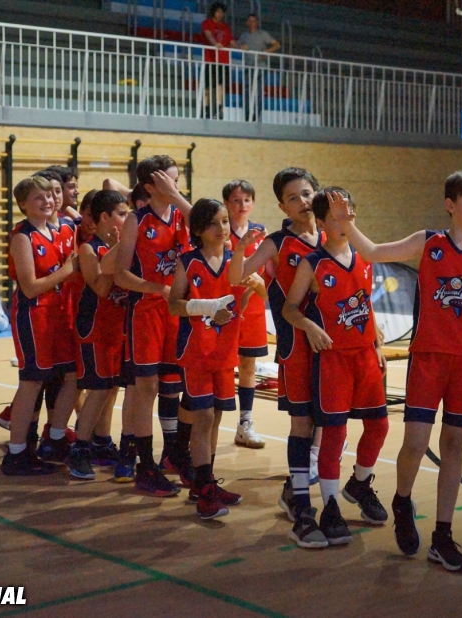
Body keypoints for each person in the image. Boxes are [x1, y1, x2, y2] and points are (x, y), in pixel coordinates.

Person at [332, 170, 462, 572]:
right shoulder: (429, 242)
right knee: (416, 443)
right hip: (428, 359)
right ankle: (402, 500)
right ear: (450, 205)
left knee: (454, 446)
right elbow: (373, 252)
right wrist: (347, 223)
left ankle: (443, 536)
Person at [282, 188, 389, 547]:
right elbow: (289, 308)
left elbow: (365, 302)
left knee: (379, 425)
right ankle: (330, 506)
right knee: (334, 433)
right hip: (332, 359)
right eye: (338, 216)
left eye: (349, 213)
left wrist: (377, 344)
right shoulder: (312, 263)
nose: (345, 221)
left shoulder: (365, 257)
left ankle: (359, 483)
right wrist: (310, 327)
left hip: (365, 355)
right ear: (323, 222)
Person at [230, 167, 327, 548]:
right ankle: (302, 505)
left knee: (327, 420)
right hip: (296, 344)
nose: (302, 202)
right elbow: (237, 276)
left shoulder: (332, 234)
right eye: (292, 198)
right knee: (302, 422)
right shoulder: (277, 242)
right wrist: (241, 248)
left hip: (331, 344)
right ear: (282, 206)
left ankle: (300, 489)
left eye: (307, 193)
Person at [168, 198, 257, 518]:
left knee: (216, 417)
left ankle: (204, 482)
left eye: (224, 221)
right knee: (203, 417)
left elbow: (239, 303)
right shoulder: (189, 262)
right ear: (198, 230)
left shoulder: (236, 261)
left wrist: (251, 292)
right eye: (213, 223)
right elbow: (174, 304)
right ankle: (203, 487)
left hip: (224, 351)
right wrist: (206, 307)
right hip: (196, 350)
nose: (221, 228)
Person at [113, 155, 193, 495]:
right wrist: (155, 287)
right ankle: (143, 465)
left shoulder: (181, 214)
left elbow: (207, 227)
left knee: (178, 387)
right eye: (170, 179)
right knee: (146, 389)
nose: (176, 184)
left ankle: (175, 454)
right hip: (146, 313)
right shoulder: (136, 220)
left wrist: (176, 197)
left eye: (177, 179)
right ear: (150, 185)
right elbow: (120, 274)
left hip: (178, 313)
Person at [1, 176, 80, 476]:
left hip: (60, 315)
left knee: (72, 376)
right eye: (38, 197)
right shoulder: (22, 236)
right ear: (23, 204)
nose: (47, 201)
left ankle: (56, 438)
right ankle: (16, 453)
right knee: (32, 382)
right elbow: (30, 287)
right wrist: (67, 270)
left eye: (49, 195)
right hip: (34, 315)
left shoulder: (60, 230)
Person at [63, 190, 130, 480]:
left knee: (112, 387)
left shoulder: (121, 247)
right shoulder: (88, 249)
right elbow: (101, 288)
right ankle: (79, 448)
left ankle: (102, 440)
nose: (127, 219)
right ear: (105, 217)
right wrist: (117, 251)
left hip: (116, 326)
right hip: (93, 327)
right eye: (122, 214)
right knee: (99, 387)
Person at [224, 180, 268, 449]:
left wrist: (254, 291)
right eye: (236, 200)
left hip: (252, 309)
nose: (242, 205)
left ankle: (245, 423)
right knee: (221, 366)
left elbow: (265, 272)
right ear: (226, 203)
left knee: (248, 366)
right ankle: (206, 422)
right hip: (223, 307)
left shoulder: (261, 233)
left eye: (247, 200)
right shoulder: (220, 231)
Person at [201, 2, 235, 119]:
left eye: (222, 12)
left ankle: (219, 108)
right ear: (213, 12)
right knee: (208, 85)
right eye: (218, 11)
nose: (220, 14)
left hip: (223, 60)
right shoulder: (207, 23)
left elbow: (231, 41)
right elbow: (208, 35)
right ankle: (206, 108)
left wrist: (240, 47)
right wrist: (216, 44)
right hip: (210, 59)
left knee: (220, 85)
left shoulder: (225, 27)